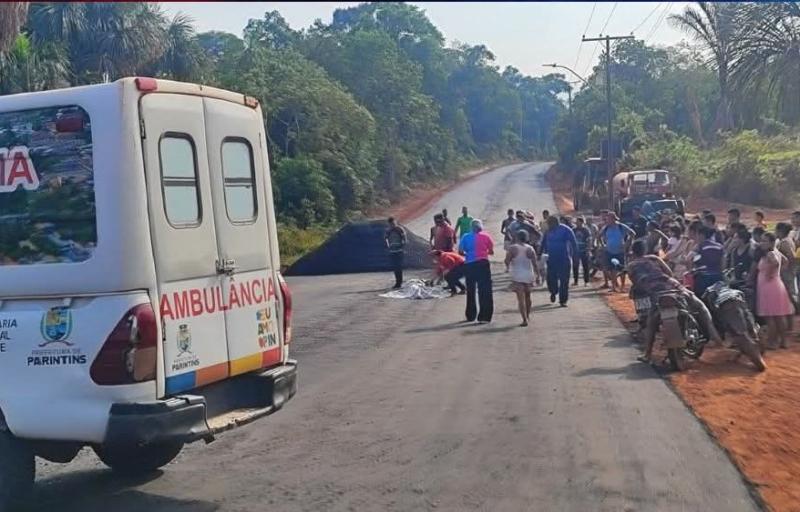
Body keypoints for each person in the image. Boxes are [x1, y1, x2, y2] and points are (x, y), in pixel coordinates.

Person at [626, 240, 721, 363]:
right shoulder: (655, 258)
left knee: (651, 322)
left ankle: (647, 354)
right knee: (699, 306)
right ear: (645, 250)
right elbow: (669, 273)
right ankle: (714, 336)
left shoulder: (631, 265)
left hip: (655, 293)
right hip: (673, 286)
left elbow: (635, 281)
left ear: (633, 251)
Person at [757, 232, 795, 349]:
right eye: (761, 240)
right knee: (779, 316)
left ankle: (772, 342)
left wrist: (769, 274)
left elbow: (776, 262)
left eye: (765, 241)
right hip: (777, 285)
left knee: (770, 317)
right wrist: (777, 273)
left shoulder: (769, 254)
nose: (762, 243)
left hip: (769, 287)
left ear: (772, 242)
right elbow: (785, 261)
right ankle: (783, 341)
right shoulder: (776, 252)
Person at [459, 219, 494, 323]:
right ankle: (485, 316)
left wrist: (469, 254)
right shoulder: (486, 236)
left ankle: (470, 315)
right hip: (483, 263)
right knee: (485, 290)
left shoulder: (465, 237)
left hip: (470, 264)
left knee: (471, 290)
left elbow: (461, 251)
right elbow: (491, 251)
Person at [504, 230, 541, 326]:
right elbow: (535, 264)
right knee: (528, 297)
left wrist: (508, 266)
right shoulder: (530, 248)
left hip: (518, 275)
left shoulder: (513, 248)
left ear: (517, 237)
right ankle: (528, 315)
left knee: (521, 299)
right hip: (528, 274)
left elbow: (507, 260)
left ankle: (524, 319)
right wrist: (538, 276)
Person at [542, 215, 577, 306]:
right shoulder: (548, 231)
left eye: (550, 224)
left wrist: (575, 256)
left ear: (556, 223)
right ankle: (553, 292)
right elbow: (543, 243)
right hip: (551, 259)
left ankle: (563, 300)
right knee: (551, 278)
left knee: (564, 280)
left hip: (564, 258)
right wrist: (539, 254)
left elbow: (573, 243)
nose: (549, 226)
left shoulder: (566, 230)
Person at [599, 212, 636, 292]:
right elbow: (599, 236)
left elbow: (632, 233)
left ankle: (622, 287)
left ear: (613, 219)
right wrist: (603, 245)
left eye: (609, 218)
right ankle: (613, 287)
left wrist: (627, 244)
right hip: (609, 251)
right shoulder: (606, 228)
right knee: (612, 269)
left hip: (620, 251)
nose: (607, 220)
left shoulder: (621, 226)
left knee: (621, 269)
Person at [775, 222, 798, 328]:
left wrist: (786, 266)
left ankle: (791, 324)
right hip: (787, 273)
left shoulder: (784, 242)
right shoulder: (787, 240)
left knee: (789, 298)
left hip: (786, 274)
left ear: (780, 231)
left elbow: (792, 257)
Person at [693, 225, 725, 298]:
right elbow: (723, 263)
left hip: (703, 278)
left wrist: (691, 270)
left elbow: (689, 259)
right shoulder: (720, 246)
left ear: (701, 235)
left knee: (700, 300)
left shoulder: (699, 246)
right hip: (718, 277)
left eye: (697, 235)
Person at [384, 217, 406, 289]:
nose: (392, 225)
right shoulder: (388, 230)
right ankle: (397, 282)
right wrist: (388, 246)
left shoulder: (400, 229)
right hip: (392, 251)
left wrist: (402, 246)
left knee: (399, 267)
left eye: (393, 224)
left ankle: (400, 282)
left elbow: (404, 239)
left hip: (399, 251)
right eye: (390, 224)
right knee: (395, 267)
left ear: (395, 222)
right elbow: (386, 239)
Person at [572, 216, 593, 286]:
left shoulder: (586, 230)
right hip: (576, 251)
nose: (577, 223)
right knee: (575, 266)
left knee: (585, 266)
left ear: (581, 222)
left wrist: (588, 249)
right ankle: (575, 281)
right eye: (576, 222)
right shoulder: (573, 230)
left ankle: (586, 281)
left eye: (578, 222)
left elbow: (589, 240)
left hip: (584, 250)